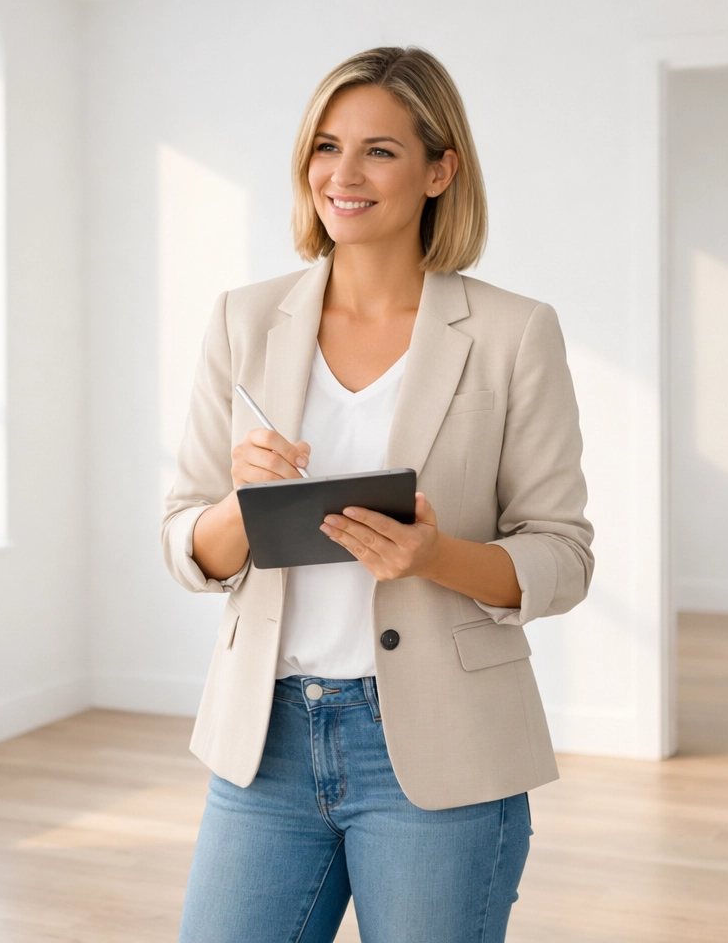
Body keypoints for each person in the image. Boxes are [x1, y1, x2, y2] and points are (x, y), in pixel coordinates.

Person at [161, 46, 594, 943]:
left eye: (379, 151)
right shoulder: (243, 321)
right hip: (265, 746)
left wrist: (436, 557)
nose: (342, 175)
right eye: (325, 146)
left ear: (442, 169)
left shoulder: (514, 333)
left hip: (441, 750)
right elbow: (184, 540)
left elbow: (562, 554)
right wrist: (241, 508)